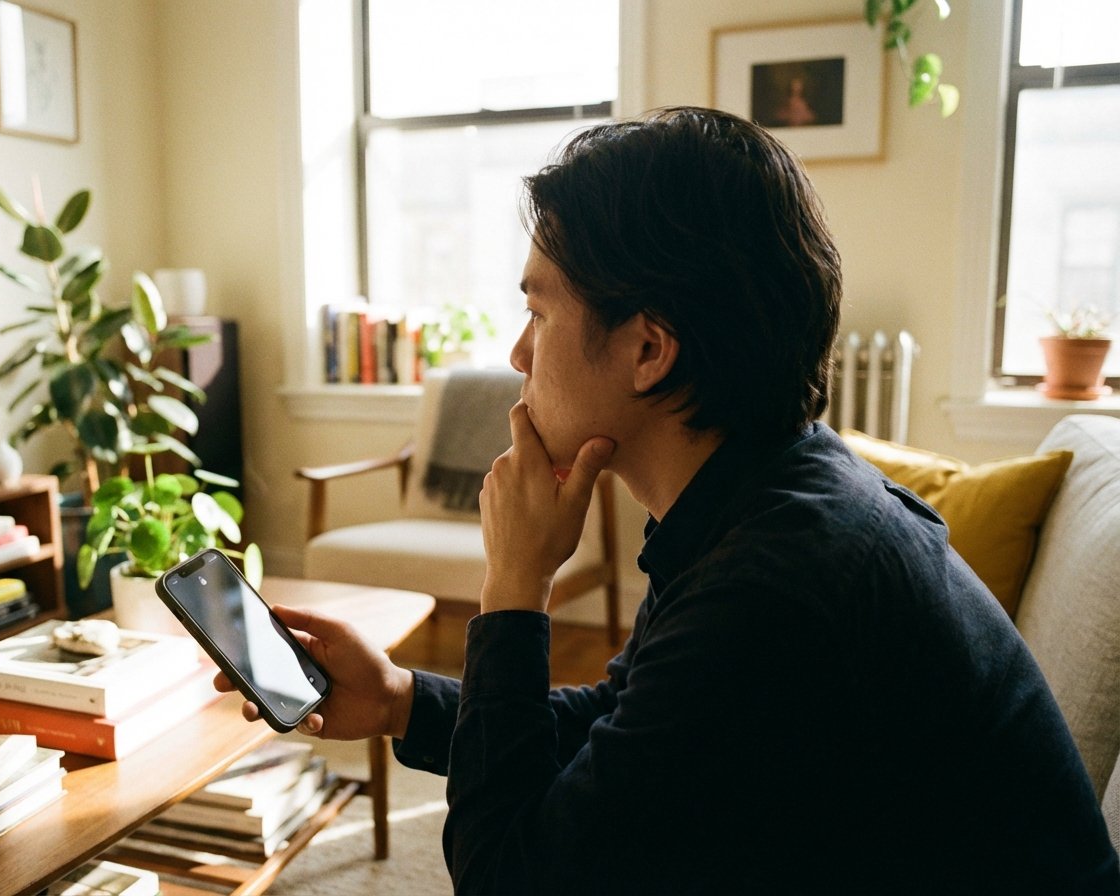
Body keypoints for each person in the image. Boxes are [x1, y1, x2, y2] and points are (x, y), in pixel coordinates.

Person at [223, 107, 1119, 893]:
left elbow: (509, 877)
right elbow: (625, 723)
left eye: (539, 312)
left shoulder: (777, 585)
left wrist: (514, 588)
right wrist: (399, 700)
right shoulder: (765, 497)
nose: (518, 354)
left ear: (648, 351)